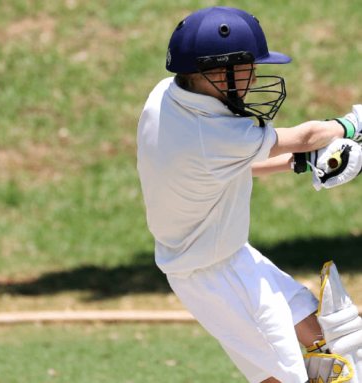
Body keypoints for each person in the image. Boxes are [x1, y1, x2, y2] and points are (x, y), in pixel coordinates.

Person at [137, 6, 362, 383]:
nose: (256, 75)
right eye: (248, 67)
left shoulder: (167, 98)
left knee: (331, 333)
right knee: (289, 377)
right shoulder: (214, 135)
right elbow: (305, 136)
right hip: (211, 274)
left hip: (226, 254)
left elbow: (227, 164)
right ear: (213, 70)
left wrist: (300, 164)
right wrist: (351, 125)